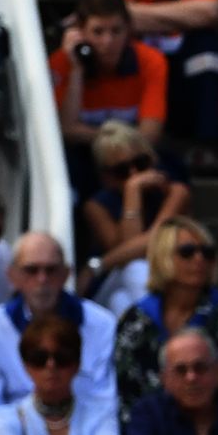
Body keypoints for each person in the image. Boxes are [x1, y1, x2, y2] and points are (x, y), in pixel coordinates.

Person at [101, 0, 218, 174]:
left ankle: (206, 145)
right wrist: (181, 16)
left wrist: (133, 15)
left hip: (182, 95)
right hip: (133, 93)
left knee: (208, 44)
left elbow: (210, 12)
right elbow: (105, 13)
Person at [111, 217, 218, 419]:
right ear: (163, 257)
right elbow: (126, 393)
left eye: (207, 253)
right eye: (187, 252)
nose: (199, 259)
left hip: (215, 433)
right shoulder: (136, 320)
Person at [0, 234, 119, 419]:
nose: (42, 279)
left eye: (51, 270)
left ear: (66, 274)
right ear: (12, 276)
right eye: (31, 270)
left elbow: (103, 404)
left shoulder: (101, 323)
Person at [77, 123, 192, 318]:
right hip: (117, 279)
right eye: (122, 171)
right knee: (136, 268)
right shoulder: (96, 206)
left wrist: (98, 265)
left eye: (141, 163)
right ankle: (163, 336)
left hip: (166, 277)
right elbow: (129, 251)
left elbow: (157, 239)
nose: (135, 175)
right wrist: (133, 192)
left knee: (120, 303)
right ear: (106, 176)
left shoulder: (175, 192)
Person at [50, 0, 171, 163]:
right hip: (83, 156)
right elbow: (67, 129)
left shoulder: (152, 61)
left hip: (133, 156)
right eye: (98, 32)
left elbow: (150, 134)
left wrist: (97, 135)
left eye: (116, 31)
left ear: (128, 29)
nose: (108, 41)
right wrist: (77, 70)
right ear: (81, 32)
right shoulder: (61, 63)